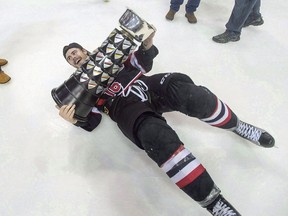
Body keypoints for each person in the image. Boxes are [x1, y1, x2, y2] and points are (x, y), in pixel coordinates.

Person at [56, 31, 274, 216]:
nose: (73, 56)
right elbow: (91, 120)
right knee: (156, 138)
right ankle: (212, 201)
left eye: (74, 51)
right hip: (125, 109)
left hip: (147, 86)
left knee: (193, 96)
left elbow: (143, 61)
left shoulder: (110, 58)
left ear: (85, 50)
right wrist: (74, 119)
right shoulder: (79, 92)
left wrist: (147, 41)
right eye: (69, 58)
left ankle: (236, 125)